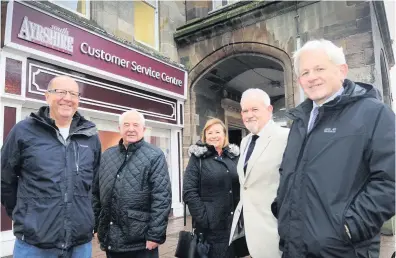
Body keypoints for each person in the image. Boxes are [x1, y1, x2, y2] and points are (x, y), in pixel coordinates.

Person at [272, 39, 395, 258]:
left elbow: (390, 180)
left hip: (343, 250)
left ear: (342, 70)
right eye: (305, 72)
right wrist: (280, 207)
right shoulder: (300, 121)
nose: (311, 77)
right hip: (293, 247)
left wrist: (351, 227)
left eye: (319, 68)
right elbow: (289, 171)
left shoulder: (374, 114)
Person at [1, 75, 101, 258]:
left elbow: (94, 184)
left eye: (73, 94)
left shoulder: (90, 136)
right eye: (60, 92)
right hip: (34, 244)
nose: (67, 98)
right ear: (47, 96)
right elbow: (4, 179)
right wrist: (24, 213)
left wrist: (88, 219)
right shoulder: (23, 131)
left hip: (79, 244)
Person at [93, 109, 172, 258]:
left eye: (135, 125)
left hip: (141, 241)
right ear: (119, 129)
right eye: (126, 125)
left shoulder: (155, 156)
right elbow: (95, 194)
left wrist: (155, 235)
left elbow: (162, 198)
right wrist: (96, 226)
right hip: (111, 240)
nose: (131, 129)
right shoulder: (107, 155)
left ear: (143, 129)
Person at [228, 89, 289, 258]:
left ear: (269, 110)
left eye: (255, 109)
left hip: (275, 231)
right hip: (250, 231)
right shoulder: (245, 141)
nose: (249, 115)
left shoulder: (286, 137)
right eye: (245, 111)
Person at [183, 118, 242, 258]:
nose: (214, 135)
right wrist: (203, 217)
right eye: (209, 133)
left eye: (217, 132)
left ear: (224, 135)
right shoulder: (198, 159)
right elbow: (189, 191)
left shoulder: (233, 157)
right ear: (205, 136)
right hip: (210, 227)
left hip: (232, 225)